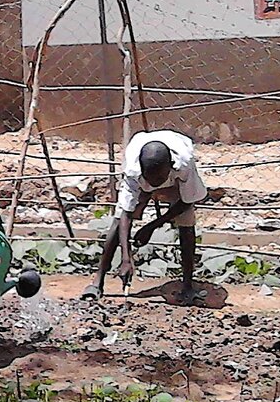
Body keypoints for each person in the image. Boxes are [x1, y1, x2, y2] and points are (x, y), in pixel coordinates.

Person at [82, 130, 207, 304]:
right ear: (142, 170)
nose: (154, 184)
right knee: (118, 222)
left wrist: (151, 227)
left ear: (170, 166)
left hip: (175, 182)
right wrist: (126, 258)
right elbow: (126, 212)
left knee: (186, 222)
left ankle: (187, 286)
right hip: (145, 171)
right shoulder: (133, 169)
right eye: (150, 179)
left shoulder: (184, 164)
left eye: (159, 178)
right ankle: (97, 283)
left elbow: (188, 201)